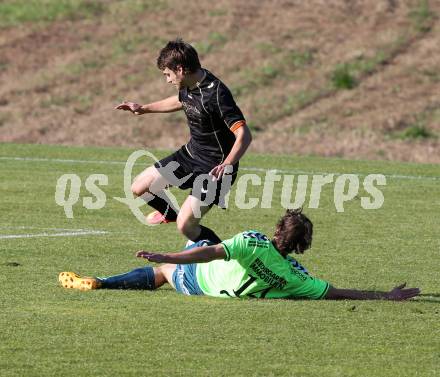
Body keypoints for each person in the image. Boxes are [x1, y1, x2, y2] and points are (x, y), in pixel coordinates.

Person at [59, 209, 420, 301]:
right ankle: (177, 220)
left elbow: (209, 254)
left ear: (278, 230)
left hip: (200, 280)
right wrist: (385, 296)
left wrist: (163, 256)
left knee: (172, 269)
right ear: (300, 247)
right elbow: (338, 292)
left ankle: (102, 282)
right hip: (221, 286)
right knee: (201, 238)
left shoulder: (253, 241)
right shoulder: (298, 277)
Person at [115, 38, 252, 244]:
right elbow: (181, 101)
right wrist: (143, 108)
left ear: (180, 69)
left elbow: (244, 135)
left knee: (186, 225)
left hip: (215, 168)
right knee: (140, 188)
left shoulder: (216, 94)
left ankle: (223, 260)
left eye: (168, 74)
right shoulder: (189, 83)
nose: (167, 80)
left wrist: (227, 164)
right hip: (191, 155)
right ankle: (169, 213)